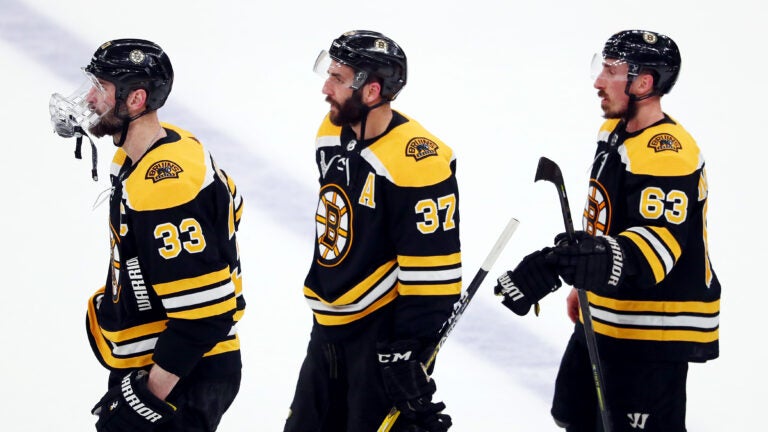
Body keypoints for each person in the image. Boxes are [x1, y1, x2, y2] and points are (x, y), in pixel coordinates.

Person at [493, 30, 720, 431]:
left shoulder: (667, 151)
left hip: (652, 332)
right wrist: (582, 281)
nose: (598, 81)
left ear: (644, 82)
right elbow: (608, 223)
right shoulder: (614, 134)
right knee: (576, 415)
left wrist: (586, 265)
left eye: (611, 71)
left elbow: (654, 252)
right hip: (608, 316)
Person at [50, 39, 246, 431]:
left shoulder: (165, 184)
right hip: (166, 363)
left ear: (136, 99)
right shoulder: (153, 148)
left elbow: (205, 314)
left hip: (183, 371)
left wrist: (148, 396)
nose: (89, 97)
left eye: (101, 87)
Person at [283, 30, 460, 432]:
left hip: (379, 338)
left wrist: (407, 354)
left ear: (372, 90)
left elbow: (435, 280)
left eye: (338, 78)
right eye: (328, 73)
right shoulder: (330, 133)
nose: (326, 88)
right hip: (327, 327)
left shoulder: (418, 161)